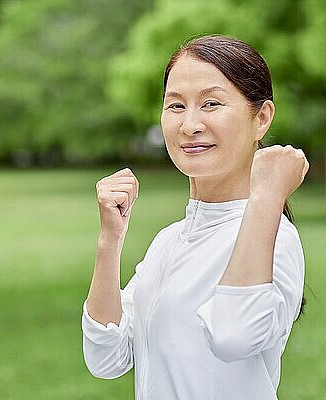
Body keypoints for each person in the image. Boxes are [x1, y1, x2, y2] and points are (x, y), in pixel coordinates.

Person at [81, 34, 309, 400]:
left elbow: (234, 335)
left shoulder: (273, 234)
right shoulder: (169, 241)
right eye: (175, 106)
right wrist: (110, 241)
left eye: (211, 104)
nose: (190, 125)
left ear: (262, 117)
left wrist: (267, 196)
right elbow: (106, 358)